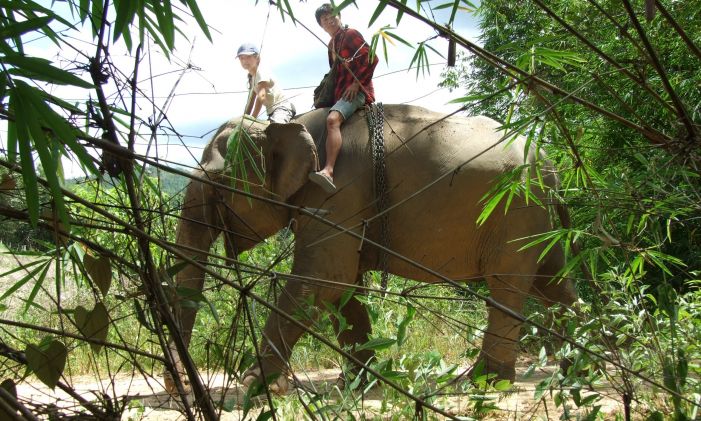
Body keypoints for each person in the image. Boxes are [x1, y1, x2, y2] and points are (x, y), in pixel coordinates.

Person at [308, 3, 378, 193]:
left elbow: (372, 57)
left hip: (357, 92)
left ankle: (329, 170)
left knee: (332, 120)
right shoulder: (332, 44)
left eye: (332, 16)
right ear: (321, 25)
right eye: (324, 19)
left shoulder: (350, 34)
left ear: (339, 16)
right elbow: (336, 74)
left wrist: (357, 84)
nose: (329, 20)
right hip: (341, 93)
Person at [236, 43, 296, 123]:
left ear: (257, 58)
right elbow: (250, 102)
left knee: (276, 129)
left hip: (282, 108)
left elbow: (262, 97)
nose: (244, 61)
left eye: (248, 57)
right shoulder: (252, 79)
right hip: (271, 113)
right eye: (241, 58)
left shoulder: (261, 71)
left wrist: (252, 119)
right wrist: (244, 120)